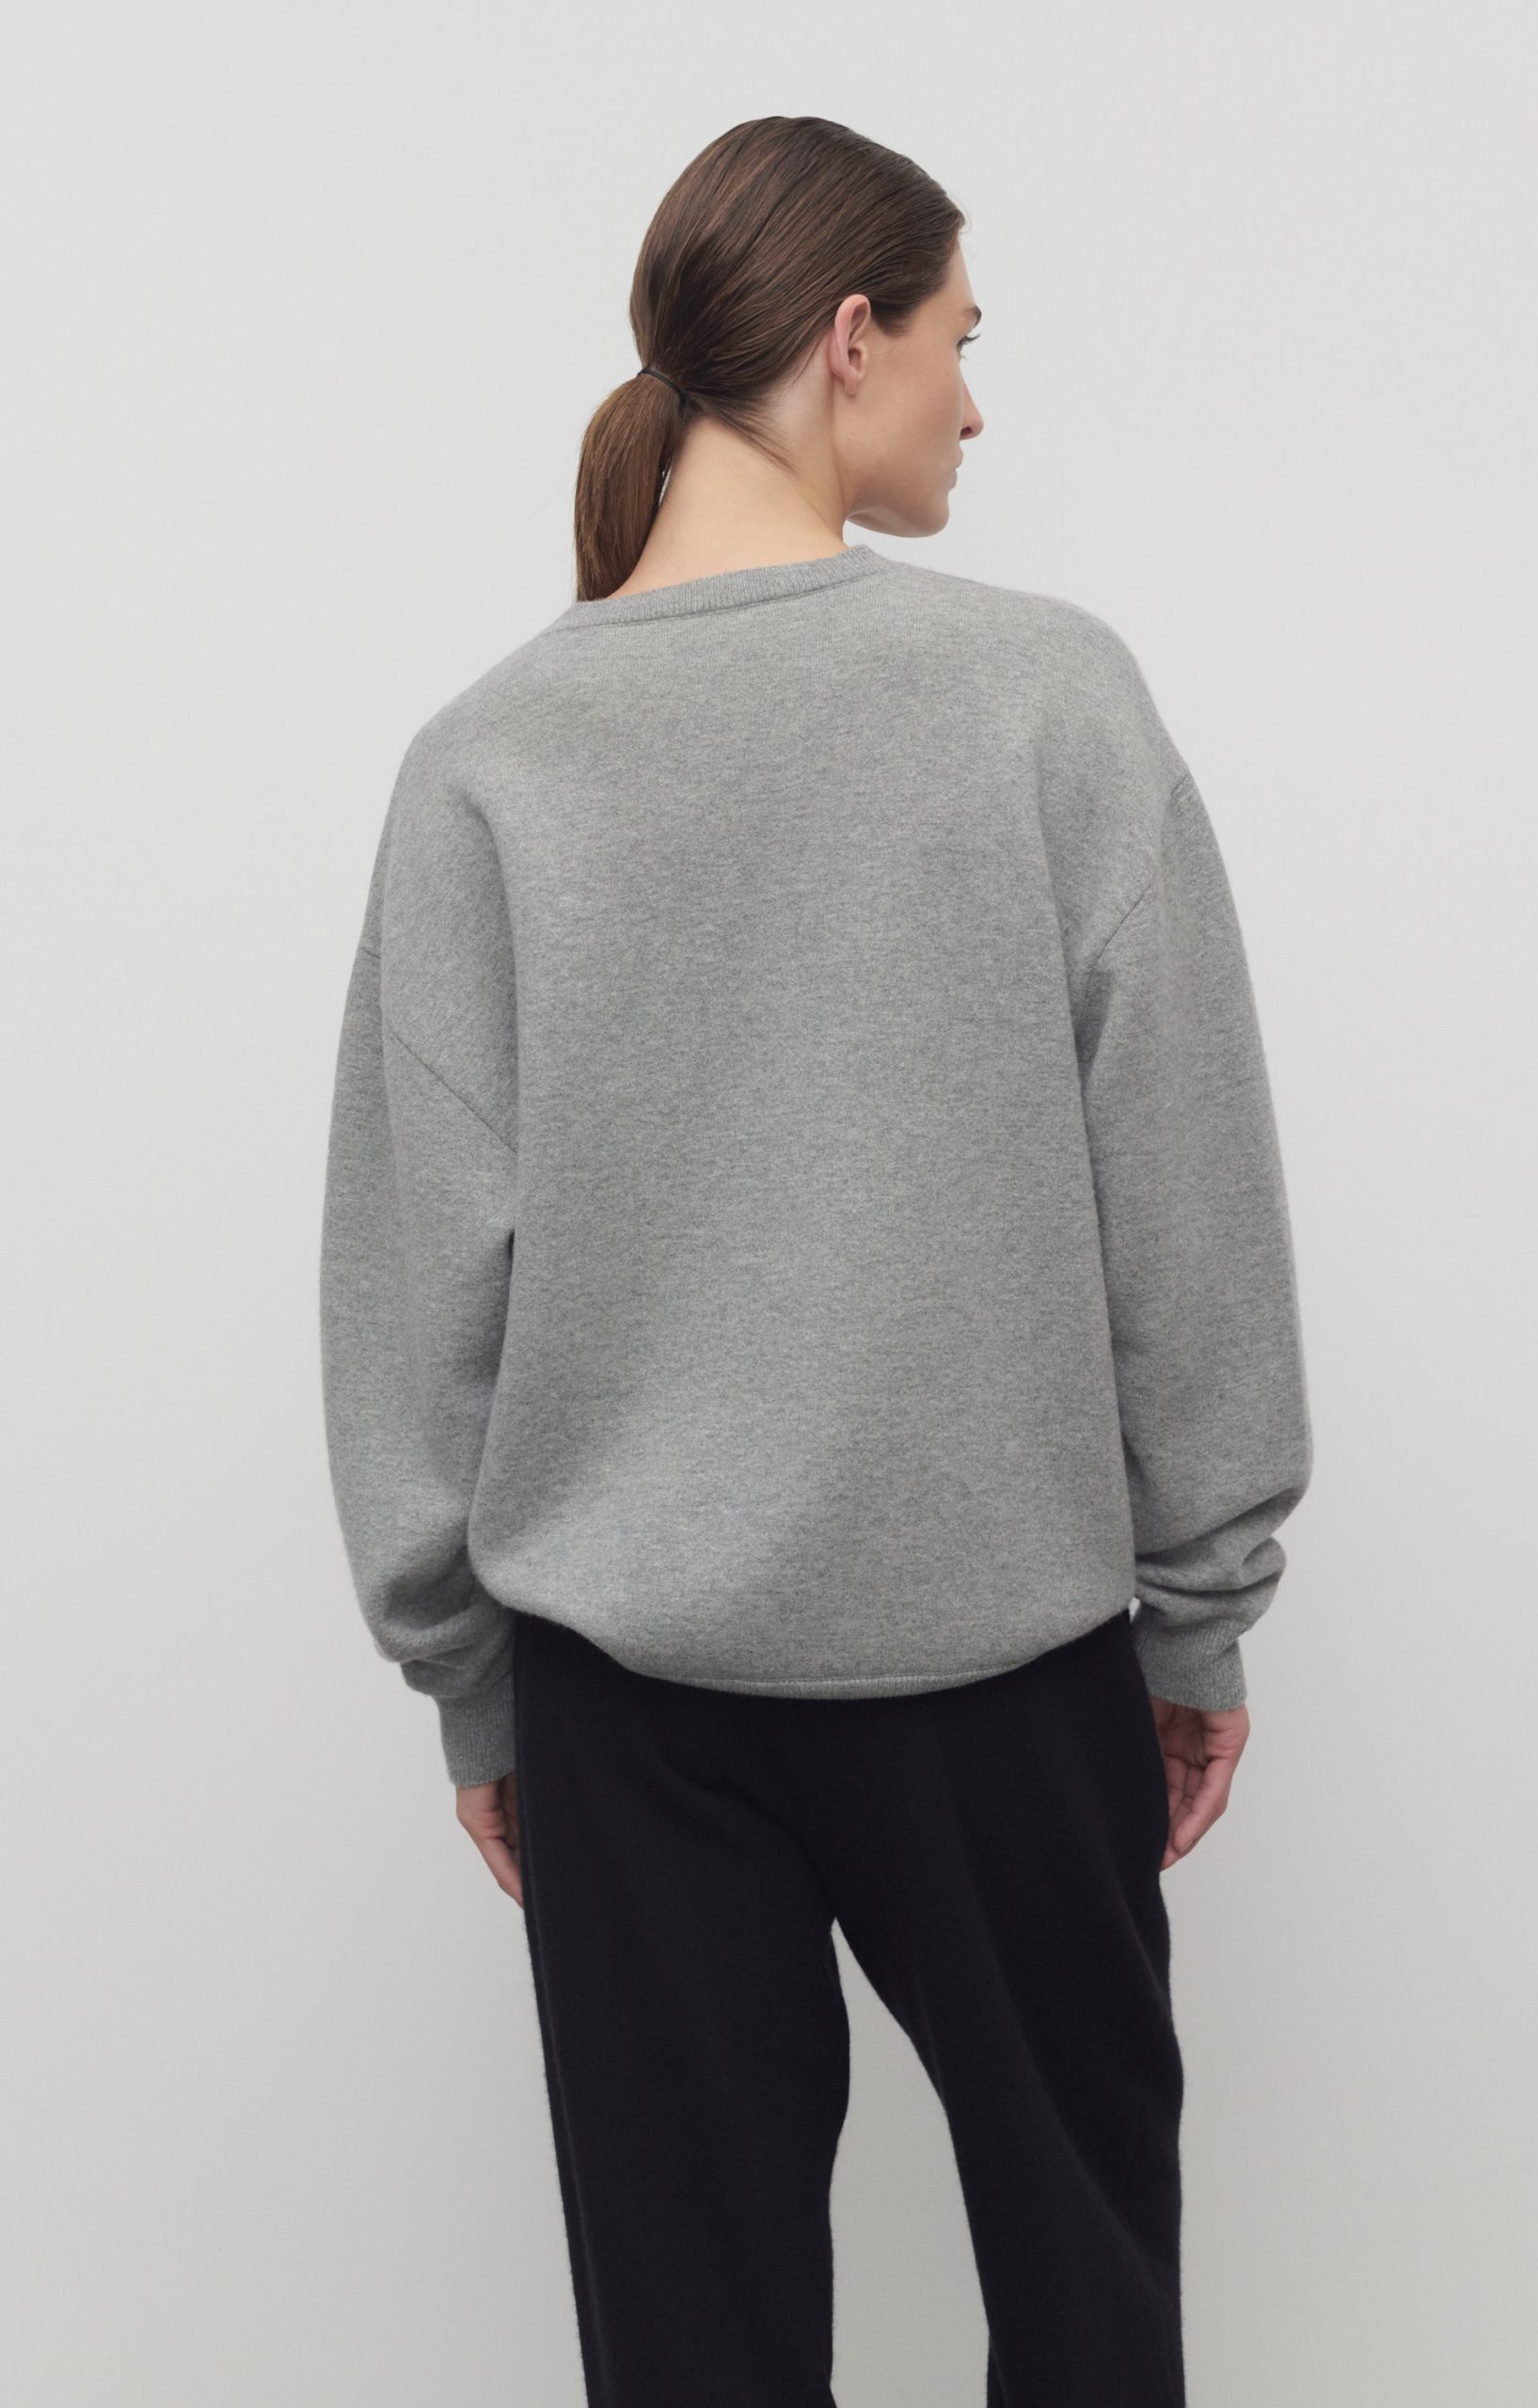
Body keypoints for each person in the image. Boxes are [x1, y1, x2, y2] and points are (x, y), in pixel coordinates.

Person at [318, 112, 1312, 2408]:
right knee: (1087, 2300)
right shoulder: (1042, 696)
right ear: (848, 340)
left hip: (626, 1704)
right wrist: (1196, 1604)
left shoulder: (489, 758)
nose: (974, 400)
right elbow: (1180, 1188)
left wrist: (471, 1678)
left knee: (693, 2346)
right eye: (958, 339)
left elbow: (411, 1281)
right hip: (1005, 1672)